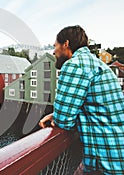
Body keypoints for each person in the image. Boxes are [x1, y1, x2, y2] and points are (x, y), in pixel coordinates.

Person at [39, 25, 124, 174]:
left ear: (66, 44)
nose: (53, 51)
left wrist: (58, 115)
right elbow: (94, 106)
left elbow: (64, 121)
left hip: (104, 162)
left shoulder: (75, 65)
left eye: (55, 46)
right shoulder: (99, 65)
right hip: (117, 154)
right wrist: (56, 114)